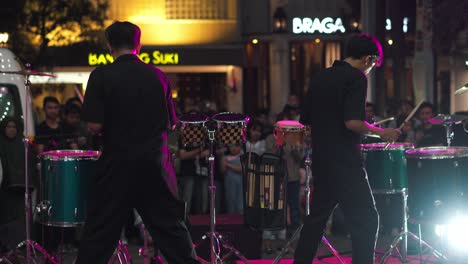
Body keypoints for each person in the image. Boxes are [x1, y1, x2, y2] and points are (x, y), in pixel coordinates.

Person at [75, 21, 199, 264]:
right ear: (138, 45)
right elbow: (171, 124)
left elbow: (94, 126)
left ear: (109, 45)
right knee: (171, 230)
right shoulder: (158, 76)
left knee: (100, 232)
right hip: (155, 165)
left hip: (117, 165)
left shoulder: (101, 75)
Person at [297, 34, 401, 264]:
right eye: (374, 63)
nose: (372, 68)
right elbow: (351, 122)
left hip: (322, 159)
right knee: (366, 219)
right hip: (345, 162)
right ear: (368, 59)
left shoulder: (321, 76)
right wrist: (383, 132)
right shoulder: (356, 78)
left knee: (316, 220)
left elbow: (306, 120)